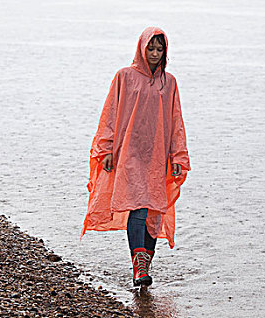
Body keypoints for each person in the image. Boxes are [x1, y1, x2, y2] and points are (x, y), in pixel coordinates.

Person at [81, 26, 190, 287]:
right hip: (129, 154)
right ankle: (139, 267)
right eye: (150, 48)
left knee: (154, 210)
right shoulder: (125, 77)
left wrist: (178, 155)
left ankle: (143, 266)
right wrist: (106, 149)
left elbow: (176, 121)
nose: (154, 53)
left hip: (158, 156)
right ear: (141, 49)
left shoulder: (169, 82)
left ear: (165, 51)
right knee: (139, 207)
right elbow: (110, 113)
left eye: (159, 49)